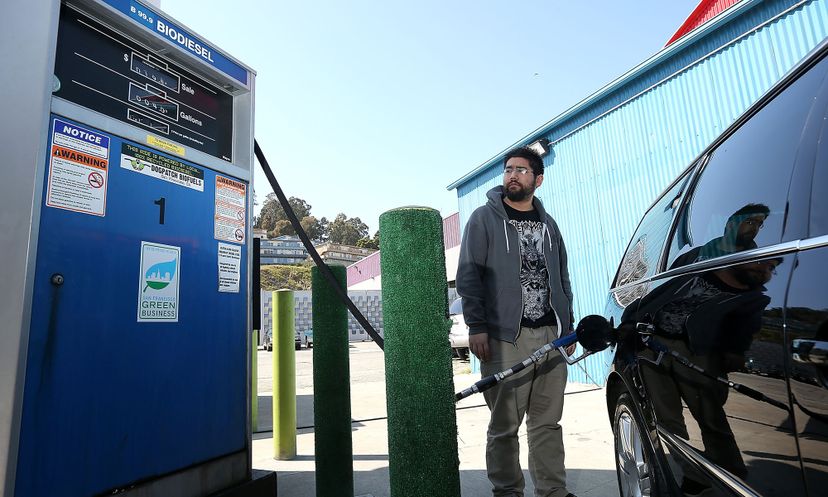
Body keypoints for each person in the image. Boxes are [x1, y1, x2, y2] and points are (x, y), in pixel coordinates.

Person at [456, 146, 576, 497]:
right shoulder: (483, 218)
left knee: (547, 423)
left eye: (522, 170)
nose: (513, 175)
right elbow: (469, 275)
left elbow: (562, 279)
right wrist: (477, 326)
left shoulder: (550, 225)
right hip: (505, 337)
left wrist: (567, 329)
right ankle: (508, 491)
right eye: (509, 169)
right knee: (505, 425)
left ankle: (553, 490)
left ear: (538, 179)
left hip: (551, 337)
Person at [671, 203, 770, 268]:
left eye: (759, 224)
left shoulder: (755, 265)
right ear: (731, 224)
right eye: (751, 222)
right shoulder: (692, 256)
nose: (755, 228)